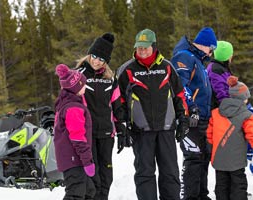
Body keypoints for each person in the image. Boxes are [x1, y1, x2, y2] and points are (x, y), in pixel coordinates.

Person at [117, 28, 189, 200]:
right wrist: (121, 125)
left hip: (166, 129)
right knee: (144, 174)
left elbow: (179, 95)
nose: (141, 51)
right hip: (141, 131)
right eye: (139, 47)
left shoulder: (167, 67)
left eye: (145, 47)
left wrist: (183, 118)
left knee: (170, 172)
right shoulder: (127, 70)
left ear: (154, 46)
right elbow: (118, 101)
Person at [75, 32, 129, 200]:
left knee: (106, 175)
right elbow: (69, 105)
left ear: (106, 61)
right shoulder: (77, 76)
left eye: (101, 59)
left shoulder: (111, 79)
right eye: (95, 56)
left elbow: (117, 105)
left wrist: (121, 129)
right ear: (90, 54)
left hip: (106, 133)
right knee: (92, 175)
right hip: (86, 134)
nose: (96, 61)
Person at [171, 27, 217, 200]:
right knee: (194, 157)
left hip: (203, 118)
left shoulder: (198, 60)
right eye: (211, 48)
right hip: (190, 117)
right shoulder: (185, 57)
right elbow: (180, 86)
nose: (211, 53)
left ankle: (201, 194)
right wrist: (191, 108)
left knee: (203, 157)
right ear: (204, 44)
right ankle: (190, 196)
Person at [206, 76, 253, 200]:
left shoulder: (216, 113)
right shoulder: (246, 115)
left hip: (219, 158)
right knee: (239, 185)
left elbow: (209, 135)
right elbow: (252, 136)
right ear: (243, 98)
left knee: (222, 185)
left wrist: (210, 150)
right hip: (237, 161)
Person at [53, 64, 96, 200]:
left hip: (73, 158)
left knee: (89, 191)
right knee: (75, 193)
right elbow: (78, 138)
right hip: (73, 159)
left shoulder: (69, 103)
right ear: (76, 87)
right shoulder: (73, 109)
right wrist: (87, 161)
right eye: (83, 84)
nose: (85, 86)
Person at [207, 41, 234, 109]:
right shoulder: (216, 69)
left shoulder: (221, 68)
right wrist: (229, 107)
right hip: (219, 108)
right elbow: (220, 91)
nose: (232, 56)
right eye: (230, 54)